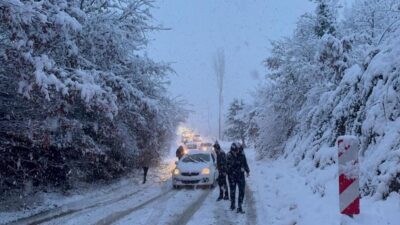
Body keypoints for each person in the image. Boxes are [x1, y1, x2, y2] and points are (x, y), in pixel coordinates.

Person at [226, 142, 250, 214]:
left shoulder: (242, 154)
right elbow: (227, 167)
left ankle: (240, 206)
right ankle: (232, 205)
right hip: (232, 176)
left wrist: (247, 171)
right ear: (232, 150)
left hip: (240, 176)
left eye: (238, 150)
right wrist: (230, 170)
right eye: (236, 150)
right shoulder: (228, 155)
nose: (237, 152)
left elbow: (245, 163)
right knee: (232, 191)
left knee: (241, 191)